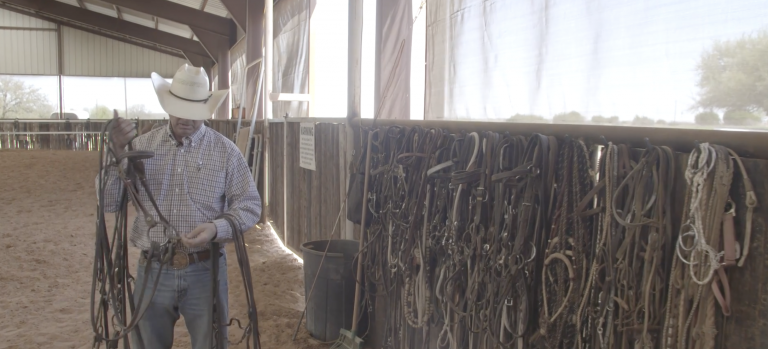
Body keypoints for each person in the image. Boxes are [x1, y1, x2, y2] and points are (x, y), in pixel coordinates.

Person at [99, 63, 262, 349]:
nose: (185, 118)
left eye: (193, 111)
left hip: (205, 269)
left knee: (211, 344)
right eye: (179, 109)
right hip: (153, 268)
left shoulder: (225, 152)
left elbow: (249, 205)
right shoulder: (140, 147)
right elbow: (109, 201)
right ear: (168, 106)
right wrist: (117, 154)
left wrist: (215, 228)